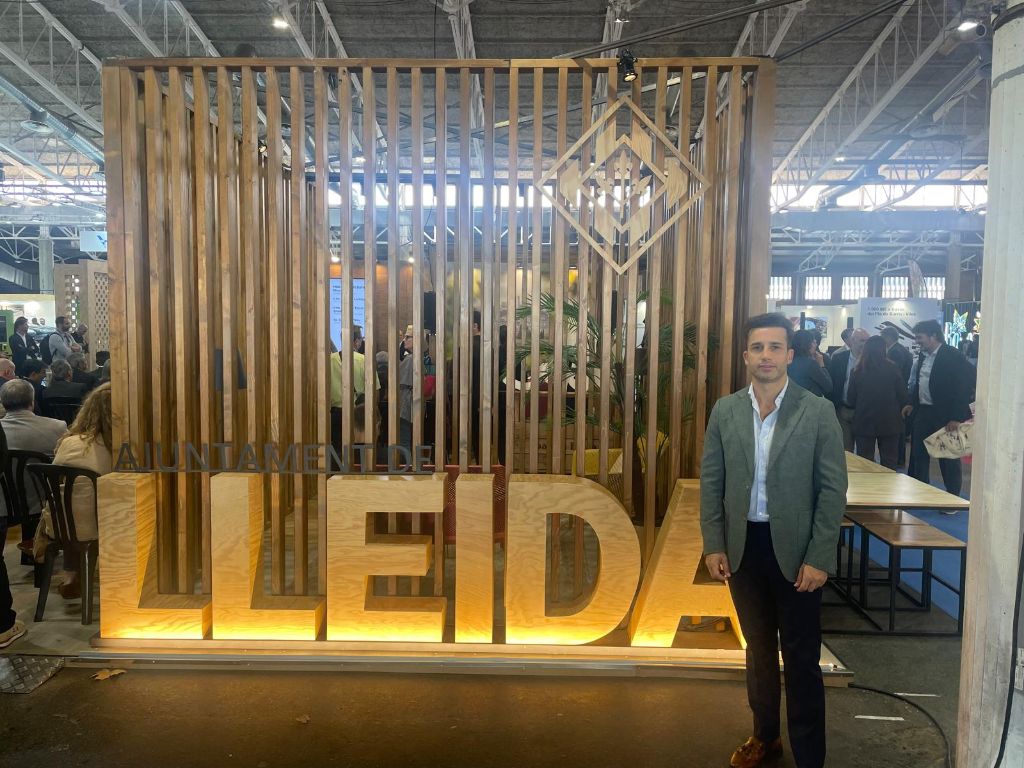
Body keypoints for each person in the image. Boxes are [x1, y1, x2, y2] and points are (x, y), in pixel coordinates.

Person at [701, 312, 847, 768]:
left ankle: (810, 756)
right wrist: (714, 543)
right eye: (758, 347)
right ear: (746, 356)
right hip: (743, 548)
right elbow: (712, 482)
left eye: (775, 347)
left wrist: (819, 556)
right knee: (758, 650)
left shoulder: (817, 411)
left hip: (798, 552)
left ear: (789, 355)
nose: (766, 355)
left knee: (801, 658)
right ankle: (765, 736)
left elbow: (832, 491)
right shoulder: (725, 411)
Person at [36, 383, 113, 599]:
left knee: (72, 505)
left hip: (58, 526)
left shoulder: (68, 442)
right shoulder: (116, 447)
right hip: (99, 526)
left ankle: (70, 575)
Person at [904, 319, 976, 499]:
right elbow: (920, 383)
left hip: (946, 415)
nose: (917, 341)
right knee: (918, 454)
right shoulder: (923, 356)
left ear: (933, 336)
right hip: (924, 412)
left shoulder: (952, 355)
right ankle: (921, 493)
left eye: (919, 337)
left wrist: (956, 417)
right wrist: (912, 403)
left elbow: (963, 388)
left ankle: (952, 498)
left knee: (948, 457)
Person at [1, 379, 68, 562]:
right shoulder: (57, 427)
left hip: (4, 502)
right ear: (32, 401)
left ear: (3, 403)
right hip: (42, 500)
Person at [847, 336, 909, 470]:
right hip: (890, 422)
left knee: (865, 462)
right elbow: (903, 395)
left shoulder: (857, 371)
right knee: (889, 462)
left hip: (864, 422)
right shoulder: (893, 369)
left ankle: (868, 484)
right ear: (884, 350)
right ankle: (889, 483)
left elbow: (850, 399)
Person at [827, 327, 869, 451]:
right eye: (862, 340)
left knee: (864, 451)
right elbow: (831, 383)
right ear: (852, 340)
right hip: (843, 410)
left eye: (867, 341)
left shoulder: (872, 360)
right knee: (845, 450)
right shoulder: (838, 358)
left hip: (864, 412)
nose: (865, 344)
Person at [787, 330, 832, 397]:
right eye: (813, 342)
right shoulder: (811, 364)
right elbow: (828, 387)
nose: (816, 345)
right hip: (808, 401)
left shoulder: (787, 361)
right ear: (807, 344)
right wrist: (821, 364)